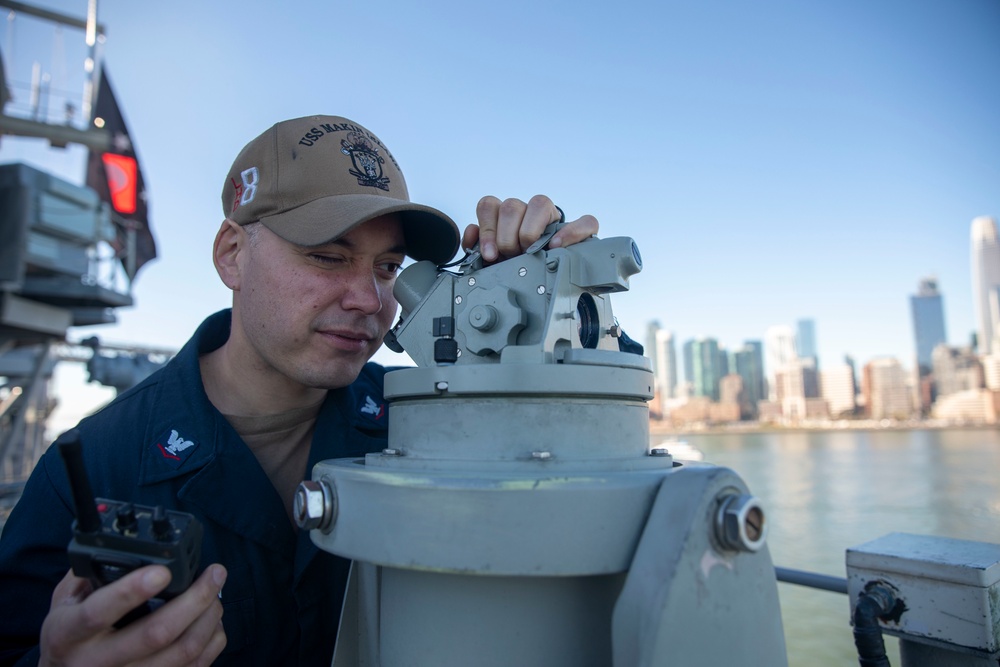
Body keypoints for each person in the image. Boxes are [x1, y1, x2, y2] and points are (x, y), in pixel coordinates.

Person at [0, 114, 599, 666]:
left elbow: (572, 471)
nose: (370, 299)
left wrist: (542, 296)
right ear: (232, 255)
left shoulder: (428, 421)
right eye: (326, 257)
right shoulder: (96, 466)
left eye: (388, 268)